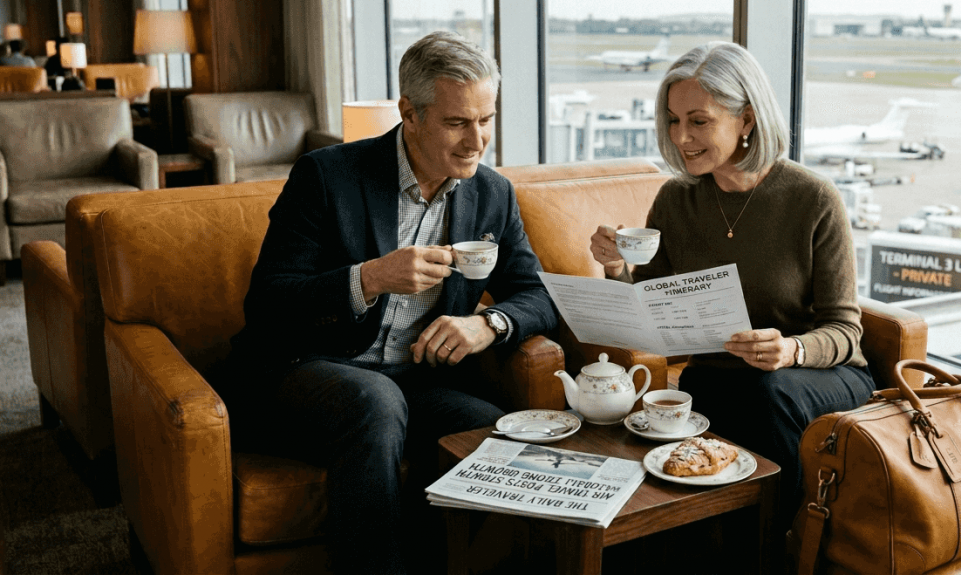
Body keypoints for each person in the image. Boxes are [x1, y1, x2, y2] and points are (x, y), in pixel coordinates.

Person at [229, 30, 558, 574]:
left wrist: (491, 324)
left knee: (497, 433)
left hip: (415, 379)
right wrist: (369, 278)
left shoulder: (492, 193)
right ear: (410, 112)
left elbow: (539, 291)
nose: (477, 140)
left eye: (486, 119)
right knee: (375, 401)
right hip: (302, 368)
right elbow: (267, 304)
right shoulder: (327, 175)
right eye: (457, 122)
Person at [589, 42, 875, 522]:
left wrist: (790, 349)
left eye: (699, 121)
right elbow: (647, 313)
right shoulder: (676, 200)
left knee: (767, 395)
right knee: (684, 402)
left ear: (746, 119)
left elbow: (846, 332)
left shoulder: (814, 198)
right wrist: (616, 267)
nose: (681, 137)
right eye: (674, 120)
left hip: (816, 375)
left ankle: (783, 545)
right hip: (722, 376)